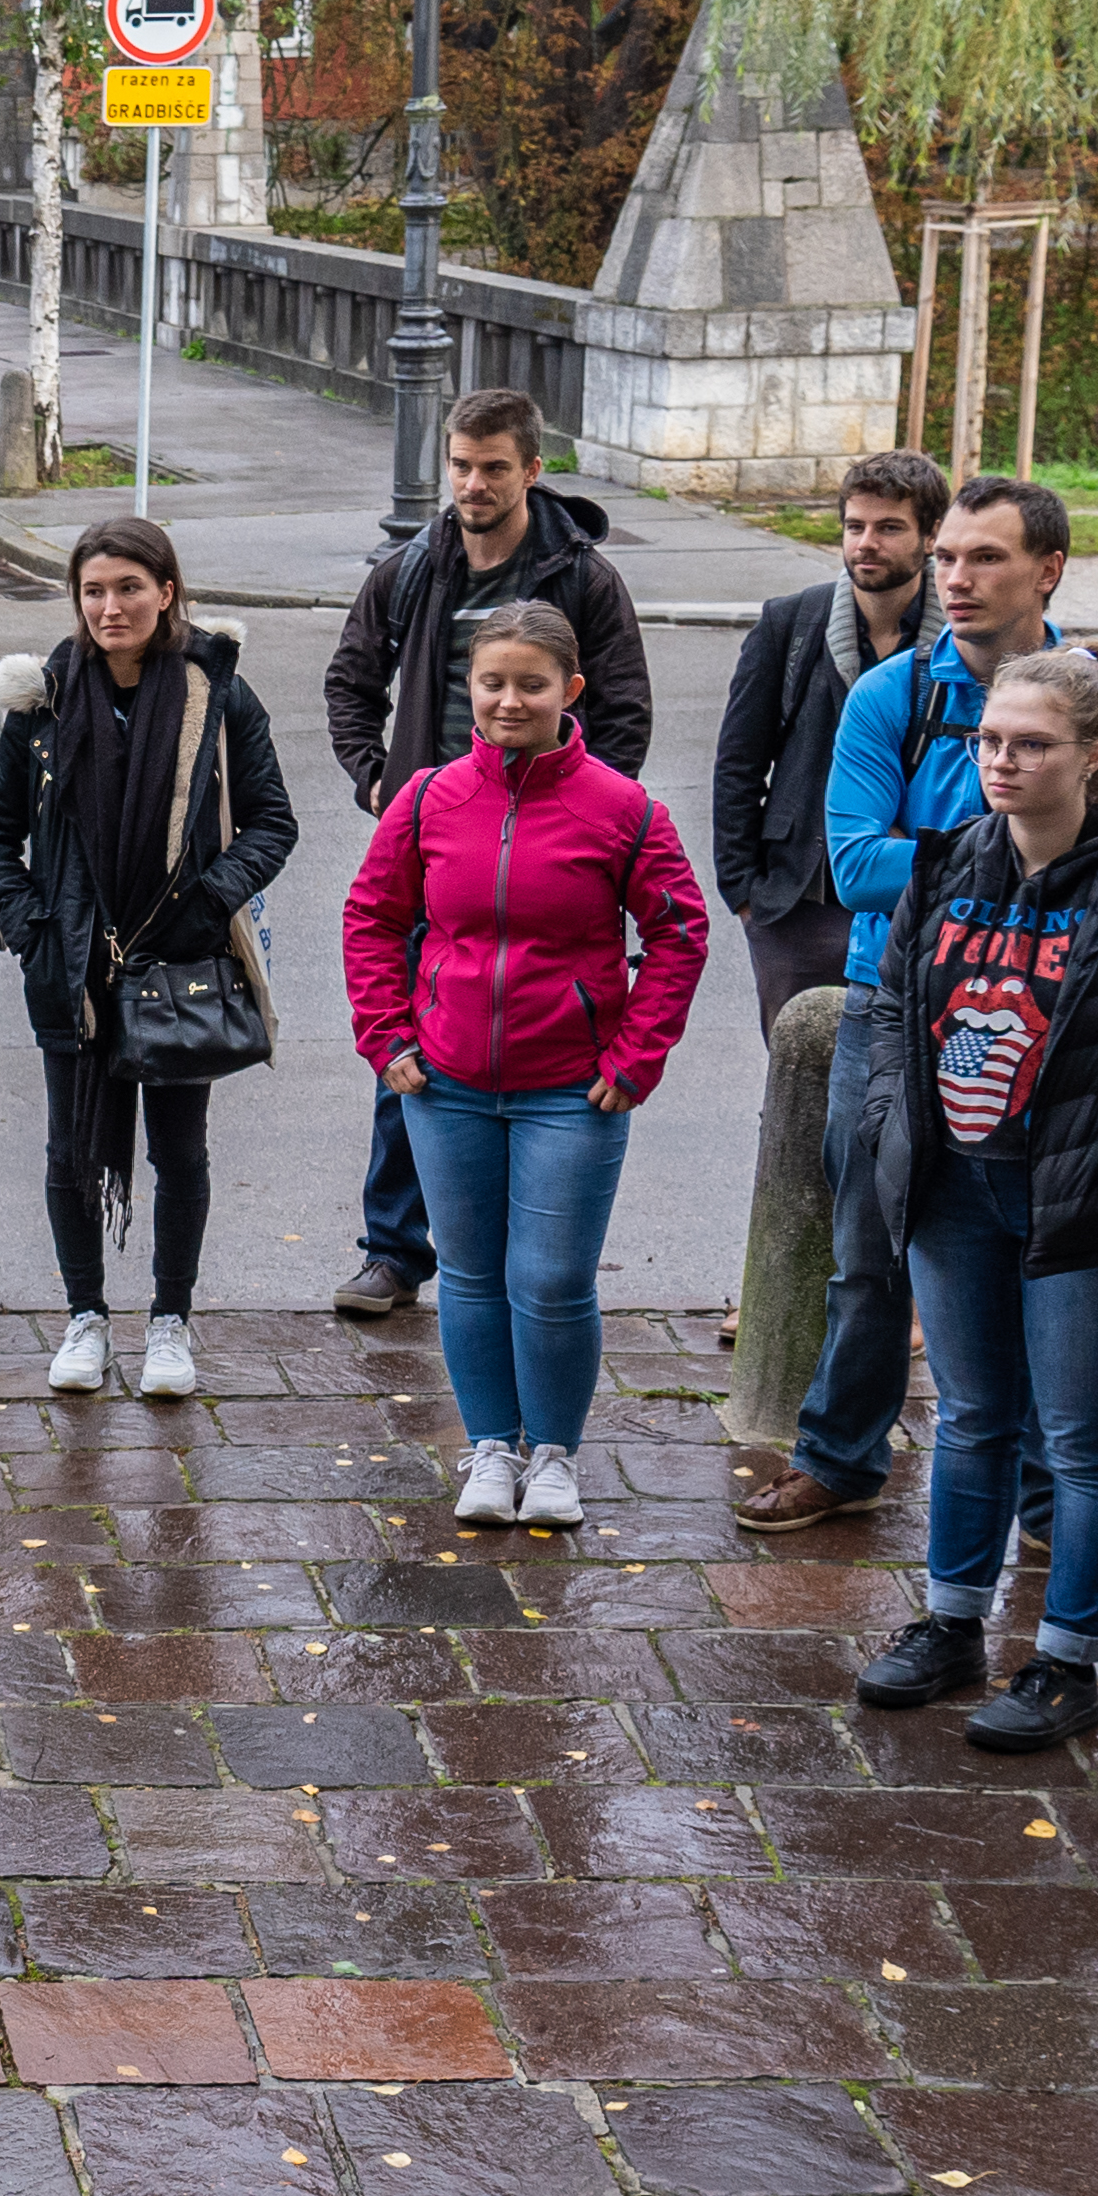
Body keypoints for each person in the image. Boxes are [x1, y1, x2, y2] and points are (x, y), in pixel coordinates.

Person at [850, 647, 1098, 1756]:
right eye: (989, 741)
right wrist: (893, 1123)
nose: (1002, 762)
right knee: (972, 1418)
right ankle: (951, 1625)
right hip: (954, 1189)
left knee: (1083, 1438)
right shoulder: (947, 864)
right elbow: (892, 1007)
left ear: (1094, 755)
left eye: (1031, 744)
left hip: (1087, 1207)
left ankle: (1069, 1661)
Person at [746, 473, 1075, 1532]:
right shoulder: (892, 694)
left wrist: (935, 860)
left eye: (986, 557)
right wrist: (1020, 856)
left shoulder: (1093, 695)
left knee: (1046, 1254)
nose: (958, 578)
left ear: (1048, 570)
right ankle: (840, 1457)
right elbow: (853, 866)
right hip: (894, 1007)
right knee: (867, 1250)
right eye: (949, 559)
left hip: (1049, 1014)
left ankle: (1052, 1500)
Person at [348, 599, 707, 1534]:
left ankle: (553, 1454)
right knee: (470, 1274)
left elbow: (678, 932)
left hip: (572, 1091)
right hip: (445, 1084)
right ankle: (491, 1448)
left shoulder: (625, 810)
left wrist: (636, 1055)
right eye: (492, 683)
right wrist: (387, 1036)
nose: (510, 701)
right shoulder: (426, 799)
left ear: (570, 690)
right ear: (468, 687)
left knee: (550, 1280)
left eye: (531, 685)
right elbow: (373, 917)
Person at [322, 389, 654, 1314]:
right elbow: (351, 681)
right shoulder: (413, 567)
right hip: (436, 846)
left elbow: (623, 711)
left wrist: (582, 820)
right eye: (462, 466)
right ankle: (394, 1252)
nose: (474, 484)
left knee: (539, 1053)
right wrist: (376, 782)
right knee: (411, 1045)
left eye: (494, 468)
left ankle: (513, 1250)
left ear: (532, 471)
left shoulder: (582, 579)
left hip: (550, 851)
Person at [0, 517, 297, 1405]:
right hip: (71, 963)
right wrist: (30, 926)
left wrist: (210, 900)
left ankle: (169, 1322)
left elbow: (272, 821)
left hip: (179, 961)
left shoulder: (217, 696)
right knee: (69, 1149)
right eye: (93, 591)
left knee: (179, 1151)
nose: (110, 606)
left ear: (167, 592)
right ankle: (85, 1316)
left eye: (128, 588)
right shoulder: (41, 704)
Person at [706, 451, 943, 1044]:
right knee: (800, 1075)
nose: (867, 543)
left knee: (902, 1073)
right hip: (800, 904)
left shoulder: (958, 640)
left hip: (919, 902)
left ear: (931, 536)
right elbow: (739, 763)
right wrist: (745, 895)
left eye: (889, 527)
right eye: (854, 526)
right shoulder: (791, 623)